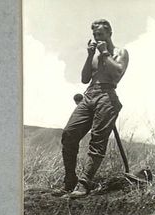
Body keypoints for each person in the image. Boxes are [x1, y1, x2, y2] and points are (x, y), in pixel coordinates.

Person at [60, 19, 129, 198]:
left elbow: (117, 73)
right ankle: (70, 180)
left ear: (109, 34)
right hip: (89, 94)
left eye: (100, 35)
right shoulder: (96, 55)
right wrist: (90, 55)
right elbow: (84, 79)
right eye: (94, 35)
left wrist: (104, 52)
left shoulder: (120, 52)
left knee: (97, 141)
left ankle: (83, 184)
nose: (97, 38)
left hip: (107, 96)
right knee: (69, 134)